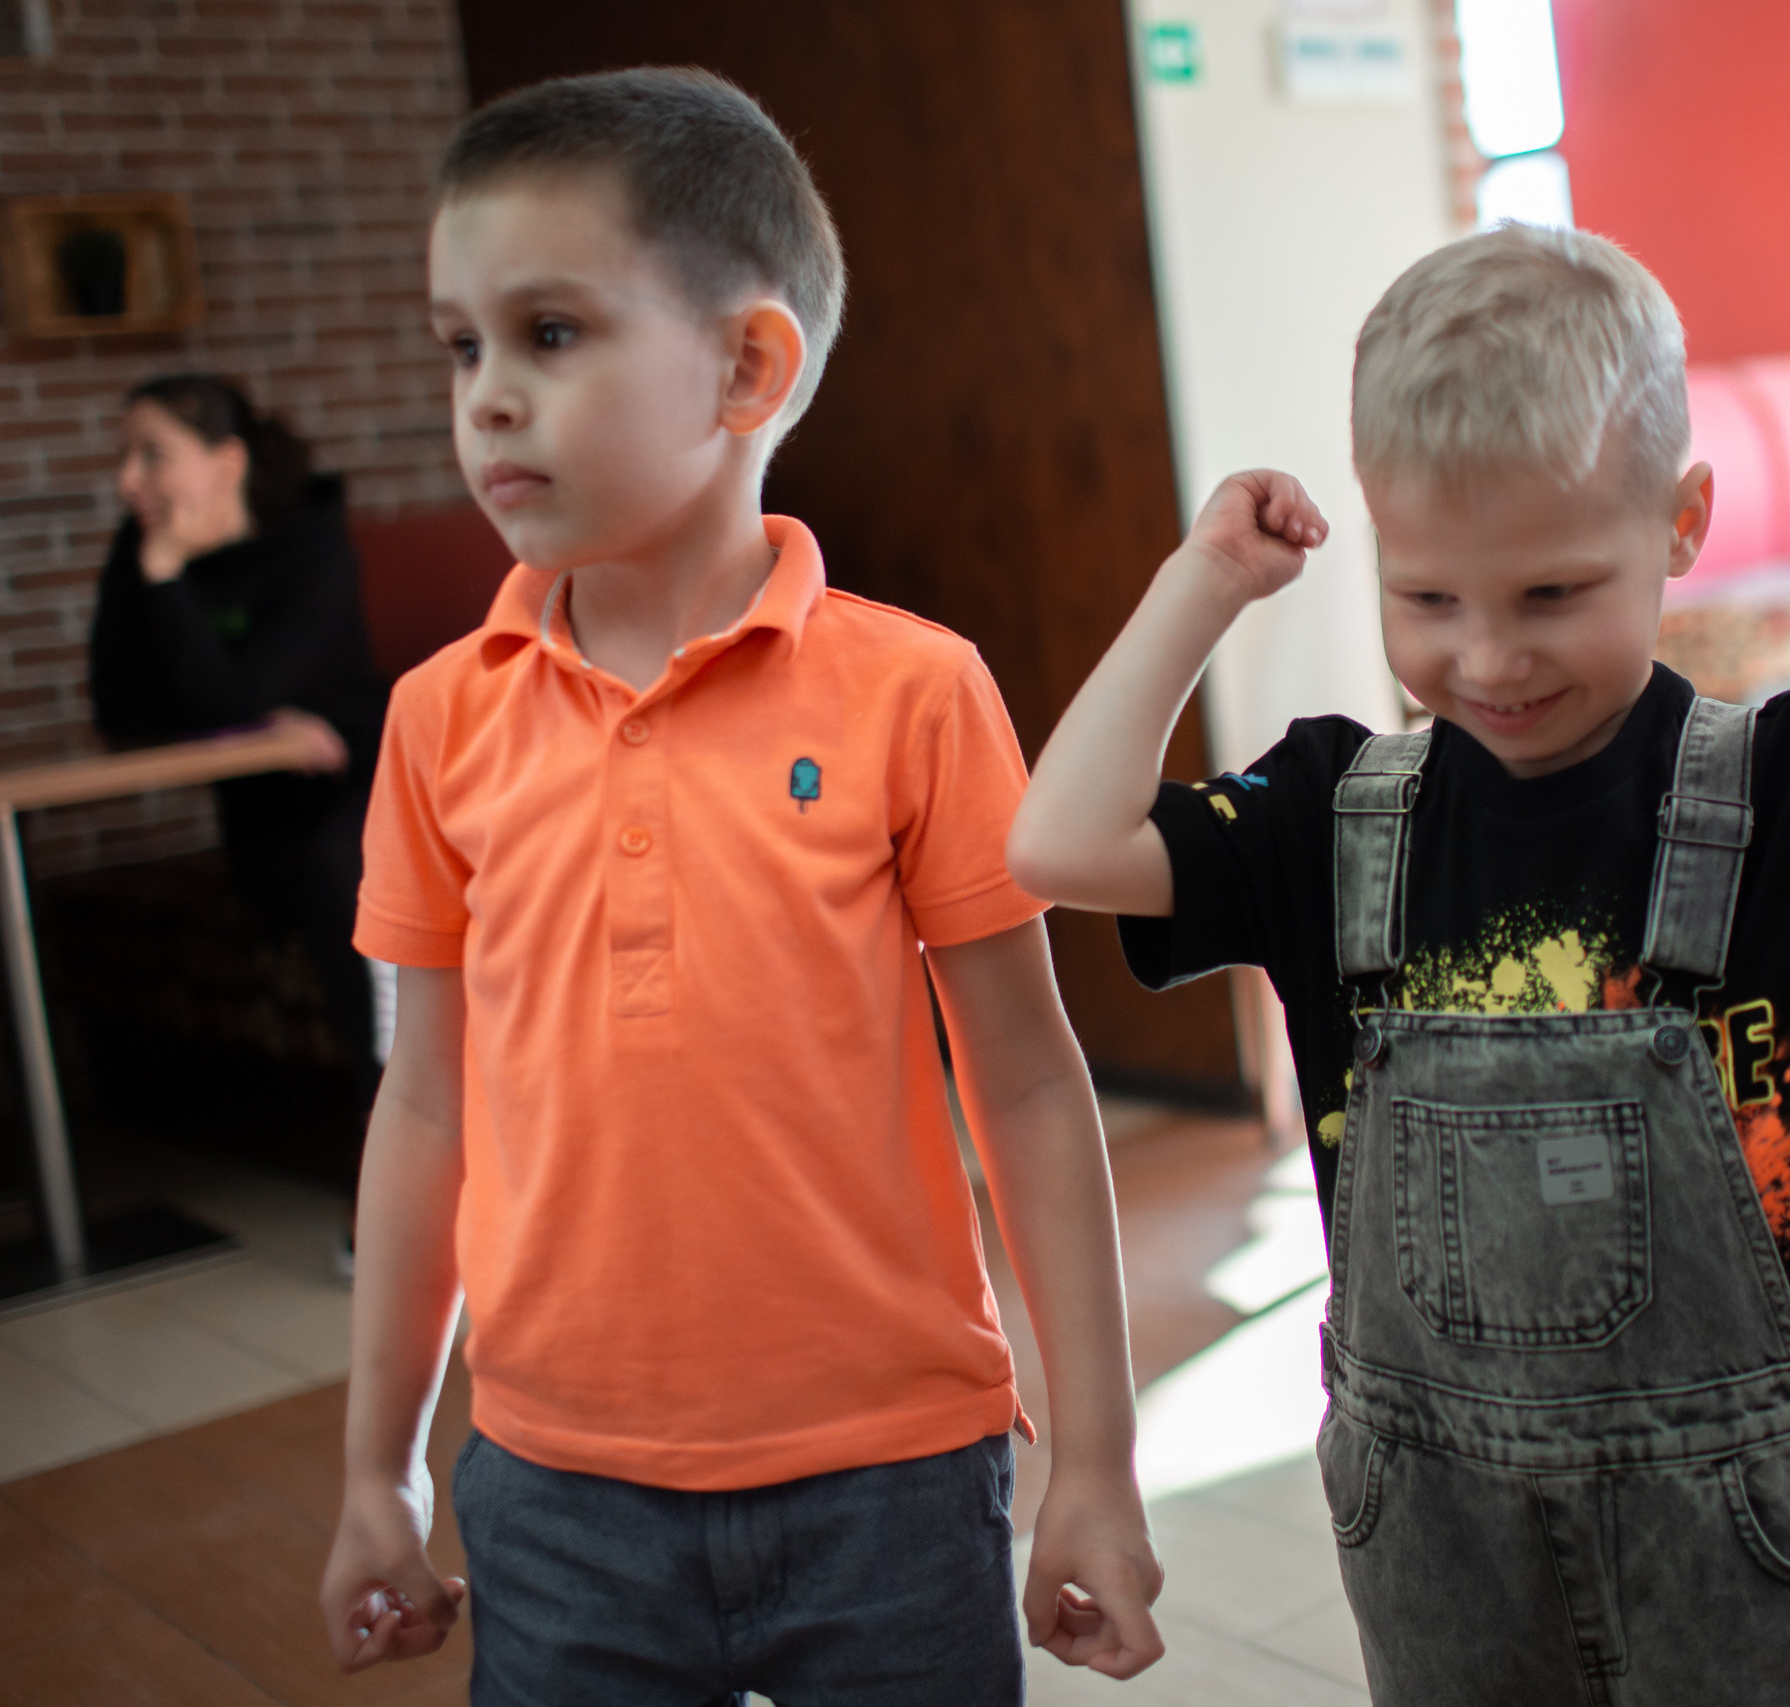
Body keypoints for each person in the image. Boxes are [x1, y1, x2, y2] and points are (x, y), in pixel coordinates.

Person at [1006, 226, 1790, 1703]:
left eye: (1553, 593)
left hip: (1747, 1563)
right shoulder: (1333, 816)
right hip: (1440, 1564)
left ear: (1681, 522)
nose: (1489, 657)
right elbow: (1059, 841)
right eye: (1429, 599)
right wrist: (1205, 579)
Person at [317, 68, 1164, 1703]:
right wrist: (381, 1468)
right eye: (461, 345)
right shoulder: (437, 720)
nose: (487, 394)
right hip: (555, 1491)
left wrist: (1096, 1458)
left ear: (747, 365)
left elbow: (1032, 1090)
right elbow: (425, 1106)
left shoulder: (914, 692)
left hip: (895, 1483)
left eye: (550, 332)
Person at [88, 374, 391, 1076]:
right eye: (125, 457)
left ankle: (387, 1102)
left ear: (226, 463)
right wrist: (162, 578)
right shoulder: (142, 556)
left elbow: (234, 698)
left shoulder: (313, 549)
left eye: (152, 455)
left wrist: (237, 706)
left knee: (342, 868)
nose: (127, 480)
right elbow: (119, 708)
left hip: (363, 788)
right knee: (300, 877)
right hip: (265, 819)